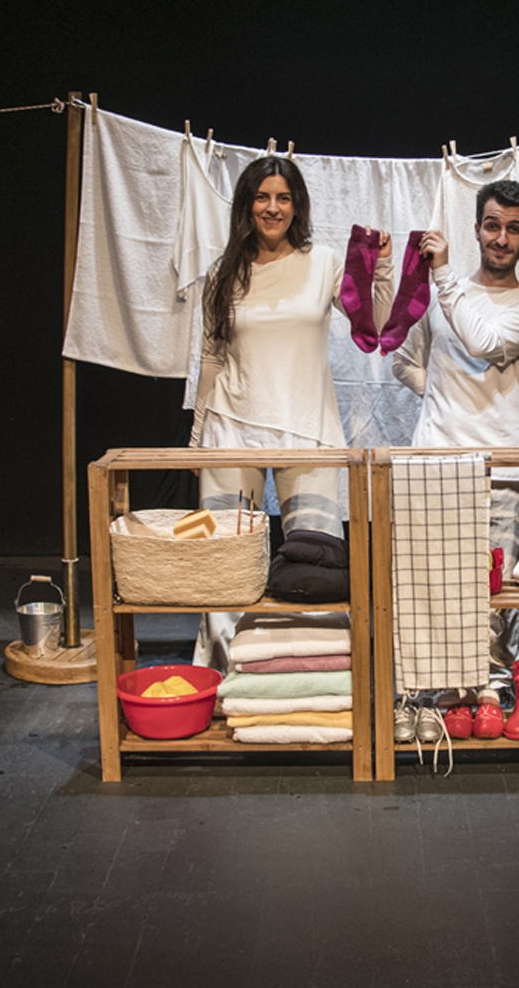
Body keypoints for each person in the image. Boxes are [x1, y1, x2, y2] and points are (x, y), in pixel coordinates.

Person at [189, 155, 392, 669]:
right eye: (262, 197)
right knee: (223, 562)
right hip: (231, 425)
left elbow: (374, 326)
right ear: (246, 204)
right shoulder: (223, 272)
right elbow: (211, 358)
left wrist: (384, 267)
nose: (272, 207)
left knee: (315, 564)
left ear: (297, 204)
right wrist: (196, 439)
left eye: (283, 197)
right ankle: (223, 676)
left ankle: (315, 678)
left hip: (308, 426)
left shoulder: (323, 262)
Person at [392, 179, 519, 709]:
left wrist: (442, 275)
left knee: (494, 587)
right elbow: (403, 361)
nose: (501, 238)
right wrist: (441, 397)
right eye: (492, 225)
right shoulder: (444, 295)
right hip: (434, 459)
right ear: (477, 228)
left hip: (503, 465)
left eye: (514, 229)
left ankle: (493, 687)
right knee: (430, 583)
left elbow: (484, 345)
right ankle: (429, 687)